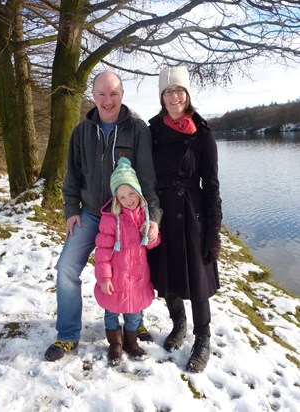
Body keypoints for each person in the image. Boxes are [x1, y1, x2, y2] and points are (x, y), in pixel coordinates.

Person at [44, 71, 162, 362]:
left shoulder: (137, 130)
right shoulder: (82, 131)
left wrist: (154, 216)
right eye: (101, 94)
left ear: (122, 95)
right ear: (93, 95)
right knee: (66, 269)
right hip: (90, 214)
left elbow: (147, 179)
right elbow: (71, 176)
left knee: (134, 267)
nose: (107, 101)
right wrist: (71, 210)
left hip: (128, 217)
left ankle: (136, 321)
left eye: (113, 94)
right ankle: (68, 335)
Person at [147, 66, 222, 373]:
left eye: (178, 91)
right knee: (167, 274)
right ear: (162, 98)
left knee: (199, 280)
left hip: (193, 214)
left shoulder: (202, 133)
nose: (174, 96)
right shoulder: (152, 130)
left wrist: (213, 232)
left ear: (187, 94)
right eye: (168, 92)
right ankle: (179, 323)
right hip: (162, 212)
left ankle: (202, 338)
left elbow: (212, 185)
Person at [94, 157, 161, 366]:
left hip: (137, 278)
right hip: (115, 277)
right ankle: (115, 344)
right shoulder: (110, 219)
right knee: (111, 312)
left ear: (138, 192)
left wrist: (150, 235)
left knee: (133, 314)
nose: (128, 199)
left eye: (131, 193)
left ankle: (131, 343)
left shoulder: (145, 216)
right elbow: (103, 251)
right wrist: (104, 277)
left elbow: (153, 245)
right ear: (116, 199)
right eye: (122, 196)